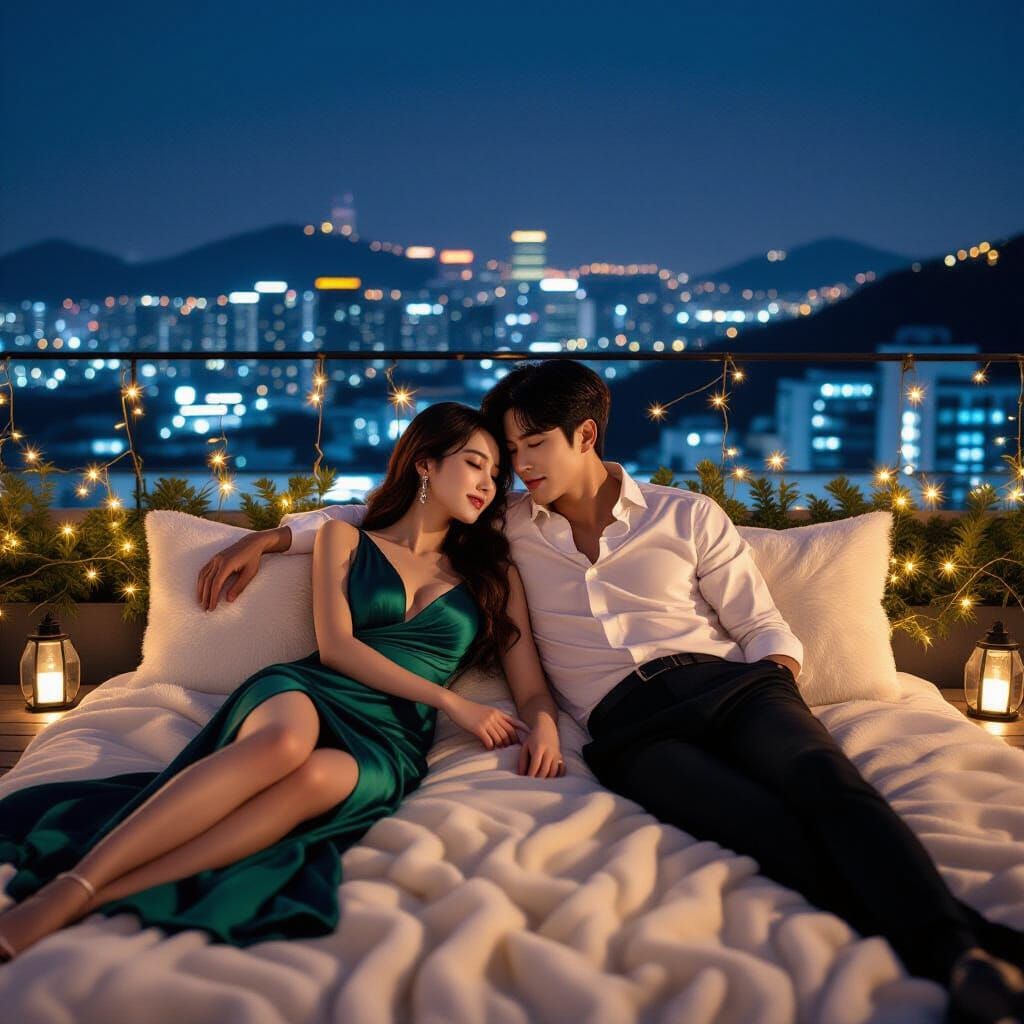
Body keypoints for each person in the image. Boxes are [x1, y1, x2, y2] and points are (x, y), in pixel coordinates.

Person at [197, 360, 1024, 1022]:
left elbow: (765, 625)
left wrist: (773, 691)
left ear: (584, 435)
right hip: (631, 731)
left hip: (731, 688)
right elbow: (386, 511)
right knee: (759, 827)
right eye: (506, 455)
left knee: (821, 782)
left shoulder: (686, 515)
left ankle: (956, 953)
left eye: (529, 449)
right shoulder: (512, 526)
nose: (515, 469)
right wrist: (274, 535)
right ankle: (961, 946)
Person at [0, 402, 566, 961]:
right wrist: (453, 703)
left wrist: (545, 730)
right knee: (283, 745)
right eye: (474, 463)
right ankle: (70, 888)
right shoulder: (344, 540)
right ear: (424, 463)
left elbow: (533, 690)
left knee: (320, 778)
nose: (488, 484)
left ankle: (106, 895)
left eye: (496, 475)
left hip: (392, 734)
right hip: (313, 689)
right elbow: (339, 649)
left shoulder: (494, 576)